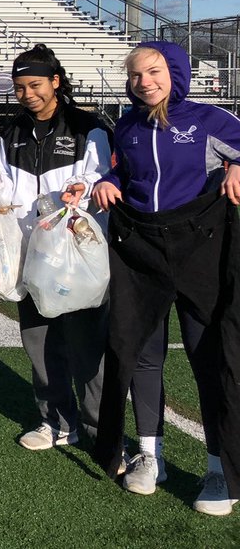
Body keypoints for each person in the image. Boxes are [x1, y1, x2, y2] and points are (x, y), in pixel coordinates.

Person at [91, 41, 240, 516]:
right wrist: (108, 181)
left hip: (201, 248)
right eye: (136, 75)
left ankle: (219, 468)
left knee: (208, 355)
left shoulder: (208, 119)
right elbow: (122, 173)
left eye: (154, 72)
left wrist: (237, 165)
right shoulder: (127, 125)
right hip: (141, 251)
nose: (144, 82)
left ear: (175, 72)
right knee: (141, 352)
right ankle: (149, 456)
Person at [0, 44, 112, 450]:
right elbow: (2, 186)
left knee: (87, 348)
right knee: (40, 343)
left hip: (77, 257)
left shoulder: (87, 128)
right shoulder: (10, 132)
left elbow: (101, 179)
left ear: (55, 81)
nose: (28, 94)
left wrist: (83, 189)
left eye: (36, 85)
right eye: (20, 87)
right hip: (31, 255)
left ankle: (100, 430)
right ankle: (56, 422)